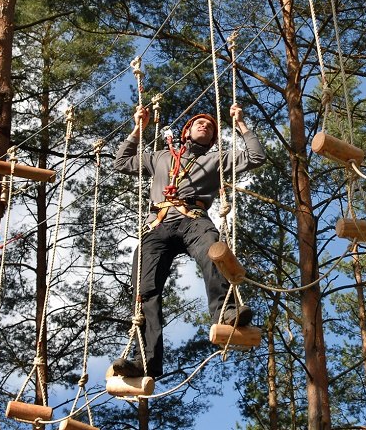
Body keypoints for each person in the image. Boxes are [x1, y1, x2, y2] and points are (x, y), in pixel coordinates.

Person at [110, 103, 266, 378]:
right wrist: (138, 129)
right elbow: (121, 163)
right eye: (199, 123)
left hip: (194, 218)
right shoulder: (158, 157)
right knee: (145, 289)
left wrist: (241, 124)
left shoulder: (215, 159)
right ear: (186, 131)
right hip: (157, 225)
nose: (205, 126)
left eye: (210, 127)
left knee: (214, 253)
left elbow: (255, 157)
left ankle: (226, 314)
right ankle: (145, 361)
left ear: (214, 138)